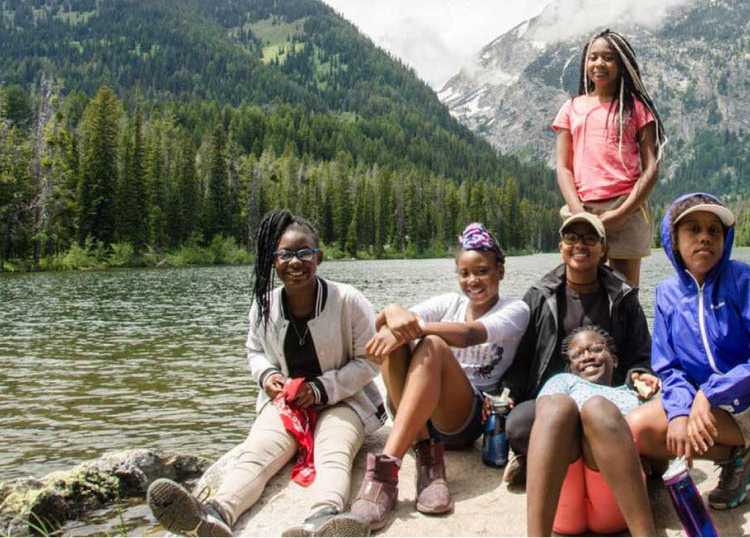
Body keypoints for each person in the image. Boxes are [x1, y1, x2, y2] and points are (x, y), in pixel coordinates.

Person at [147, 209, 386, 538]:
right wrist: (267, 375)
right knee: (258, 451)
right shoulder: (264, 305)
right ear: (274, 261)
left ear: (319, 256)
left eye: (304, 253)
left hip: (344, 402)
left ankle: (323, 518)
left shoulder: (348, 300)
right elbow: (255, 351)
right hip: (286, 404)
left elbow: (370, 361)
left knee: (334, 452)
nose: (295, 262)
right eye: (285, 254)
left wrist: (320, 389)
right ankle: (216, 514)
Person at [349, 223, 530, 532]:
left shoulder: (516, 309)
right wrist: (393, 310)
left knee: (431, 342)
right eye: (465, 273)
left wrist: (408, 325)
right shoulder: (450, 303)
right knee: (396, 339)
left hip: (462, 418)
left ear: (501, 270)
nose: (473, 281)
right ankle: (427, 462)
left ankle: (384, 472)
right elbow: (386, 320)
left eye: (482, 271)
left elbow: (469, 334)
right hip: (419, 416)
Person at [501, 211, 657, 488]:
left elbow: (639, 354)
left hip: (611, 401)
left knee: (650, 422)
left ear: (603, 249)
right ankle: (614, 457)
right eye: (571, 238)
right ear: (560, 247)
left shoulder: (623, 296)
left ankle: (549, 457)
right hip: (554, 403)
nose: (579, 245)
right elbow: (524, 355)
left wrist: (639, 375)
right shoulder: (540, 295)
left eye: (589, 238)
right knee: (519, 425)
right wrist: (510, 392)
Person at [628, 193, 750, 510]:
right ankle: (740, 458)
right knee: (641, 431)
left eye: (714, 230)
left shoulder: (743, 280)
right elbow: (670, 368)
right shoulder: (667, 294)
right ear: (673, 240)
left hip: (741, 399)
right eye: (693, 229)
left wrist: (709, 394)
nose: (705, 237)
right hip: (709, 406)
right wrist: (681, 410)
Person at [553, 28, 667, 287]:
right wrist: (580, 213)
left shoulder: (637, 108)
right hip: (582, 208)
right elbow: (563, 168)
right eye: (593, 57)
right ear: (585, 62)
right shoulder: (571, 108)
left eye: (608, 57)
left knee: (625, 293)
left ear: (622, 64)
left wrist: (623, 213)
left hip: (627, 208)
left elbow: (651, 168)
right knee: (581, 291)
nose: (599, 63)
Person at [527, 326, 656, 536]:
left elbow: (658, 454)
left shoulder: (634, 394)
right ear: (569, 368)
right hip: (564, 494)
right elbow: (545, 423)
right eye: (577, 355)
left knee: (597, 408)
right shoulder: (563, 382)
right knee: (557, 406)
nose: (587, 357)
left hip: (616, 500)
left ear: (614, 359)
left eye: (596, 349)